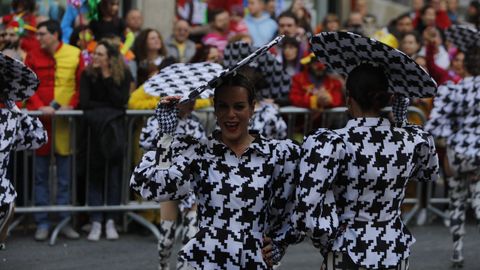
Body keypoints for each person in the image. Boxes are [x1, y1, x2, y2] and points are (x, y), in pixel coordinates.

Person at [275, 32, 439, 270]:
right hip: (394, 249)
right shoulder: (413, 140)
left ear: (348, 100)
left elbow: (305, 213)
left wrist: (327, 241)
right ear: (388, 99)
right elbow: (428, 172)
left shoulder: (332, 143)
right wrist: (402, 123)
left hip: (347, 251)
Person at [130, 70, 299, 269]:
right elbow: (153, 187)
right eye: (223, 106)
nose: (231, 115)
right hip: (207, 259)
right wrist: (166, 137)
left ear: (252, 107)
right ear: (214, 108)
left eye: (239, 107)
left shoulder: (277, 154)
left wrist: (281, 242)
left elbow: (296, 206)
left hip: (253, 261)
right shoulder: (198, 152)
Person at [425, 27, 480, 268]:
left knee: (456, 200)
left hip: (457, 154)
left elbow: (435, 125)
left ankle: (457, 251)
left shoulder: (451, 89)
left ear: (464, 65)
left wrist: (453, 136)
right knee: (478, 200)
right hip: (478, 153)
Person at [25, 19, 84, 242]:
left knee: (64, 179)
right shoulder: (32, 55)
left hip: (65, 124)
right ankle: (42, 223)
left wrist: (71, 106)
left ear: (55, 34)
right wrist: (40, 106)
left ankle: (64, 222)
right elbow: (27, 85)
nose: (38, 38)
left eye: (42, 34)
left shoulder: (75, 54)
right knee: (40, 177)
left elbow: (80, 86)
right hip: (41, 123)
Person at [79, 40, 132, 241]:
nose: (95, 57)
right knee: (95, 176)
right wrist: (108, 107)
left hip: (114, 133)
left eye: (100, 54)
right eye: (94, 54)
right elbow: (85, 103)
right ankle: (95, 220)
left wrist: (107, 77)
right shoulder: (87, 75)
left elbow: (120, 101)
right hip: (93, 133)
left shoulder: (122, 74)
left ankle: (111, 220)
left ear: (110, 58)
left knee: (114, 176)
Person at [0, 52, 47, 249]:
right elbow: (37, 136)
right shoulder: (9, 115)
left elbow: (38, 137)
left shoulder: (8, 115)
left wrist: (12, 107)